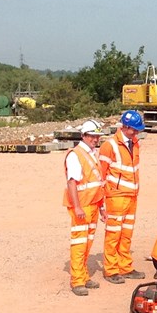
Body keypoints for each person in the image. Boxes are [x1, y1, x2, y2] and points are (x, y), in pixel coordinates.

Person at [98, 111, 146, 284]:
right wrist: (101, 203)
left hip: (132, 196)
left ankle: (125, 267)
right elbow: (101, 175)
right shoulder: (109, 146)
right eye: (134, 130)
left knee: (126, 234)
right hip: (116, 197)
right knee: (113, 234)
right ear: (125, 127)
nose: (136, 133)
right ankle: (111, 270)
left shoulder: (135, 143)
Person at [63, 120, 107, 296]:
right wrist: (77, 207)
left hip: (93, 204)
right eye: (92, 136)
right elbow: (72, 182)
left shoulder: (92, 153)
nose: (95, 139)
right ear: (84, 136)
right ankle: (77, 281)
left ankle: (83, 275)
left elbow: (98, 183)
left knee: (87, 242)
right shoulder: (76, 154)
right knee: (79, 243)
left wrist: (102, 207)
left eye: (96, 136)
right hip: (82, 206)